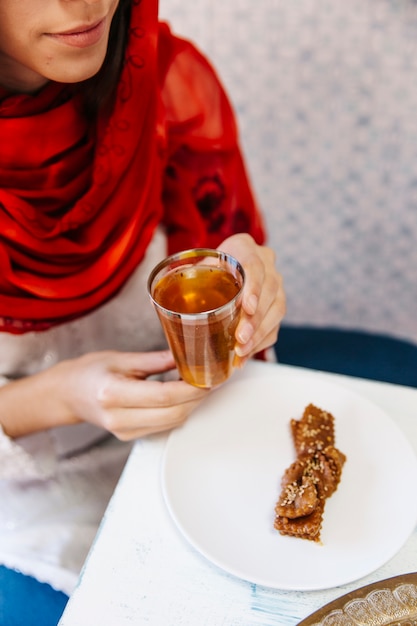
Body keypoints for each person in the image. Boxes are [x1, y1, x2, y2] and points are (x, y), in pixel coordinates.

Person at [0, 0, 286, 609]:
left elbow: (216, 281)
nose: (82, 5)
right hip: (33, 492)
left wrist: (245, 276)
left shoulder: (165, 78)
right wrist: (60, 395)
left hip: (200, 434)